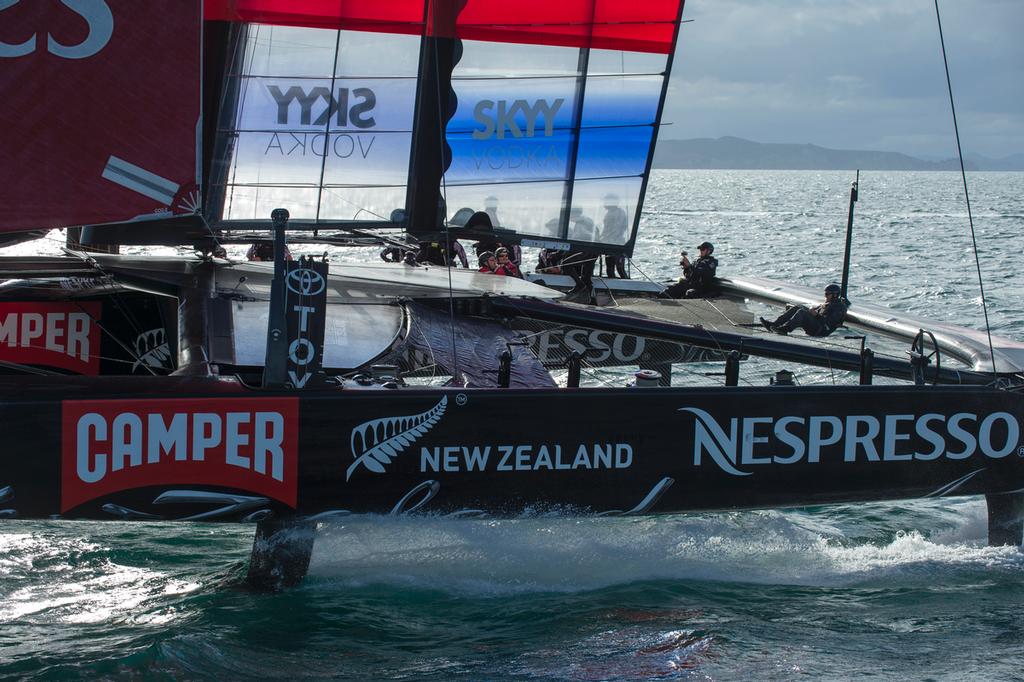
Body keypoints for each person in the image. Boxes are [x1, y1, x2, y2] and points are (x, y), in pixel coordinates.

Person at [760, 283, 848, 337]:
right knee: (799, 307)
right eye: (825, 294)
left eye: (827, 294)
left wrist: (815, 315)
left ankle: (786, 329)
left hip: (821, 330)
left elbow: (828, 323)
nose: (825, 296)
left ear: (835, 295)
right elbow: (818, 312)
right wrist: (814, 311)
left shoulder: (839, 307)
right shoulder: (827, 304)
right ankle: (775, 324)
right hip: (817, 325)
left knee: (802, 313)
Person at [600, 194, 629, 279]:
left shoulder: (618, 213)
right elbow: (606, 229)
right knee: (609, 268)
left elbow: (617, 229)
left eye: (606, 202)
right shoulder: (609, 213)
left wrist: (604, 239)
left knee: (620, 268)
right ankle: (612, 284)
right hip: (609, 243)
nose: (604, 204)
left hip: (616, 244)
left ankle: (626, 286)